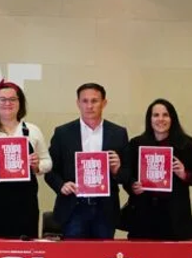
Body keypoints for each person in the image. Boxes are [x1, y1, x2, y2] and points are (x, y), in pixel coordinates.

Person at [0, 80, 52, 239]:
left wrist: (37, 166)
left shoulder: (32, 131)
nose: (8, 103)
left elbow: (48, 161)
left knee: (23, 246)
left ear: (20, 103)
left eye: (13, 99)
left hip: (24, 202)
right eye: (3, 99)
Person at [45, 83, 130, 239]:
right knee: (73, 254)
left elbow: (127, 175)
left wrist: (117, 169)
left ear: (104, 103)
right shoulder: (63, 133)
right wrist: (61, 185)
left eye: (94, 101)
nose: (89, 106)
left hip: (105, 210)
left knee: (104, 253)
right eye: (85, 101)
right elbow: (50, 170)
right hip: (73, 207)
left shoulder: (118, 133)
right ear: (78, 103)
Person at [122, 99, 192, 240]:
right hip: (143, 215)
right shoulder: (137, 144)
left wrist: (184, 174)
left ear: (172, 118)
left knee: (174, 254)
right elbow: (126, 175)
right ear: (149, 119)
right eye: (156, 115)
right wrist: (132, 185)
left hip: (174, 216)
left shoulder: (185, 145)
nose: (160, 119)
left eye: (165, 115)